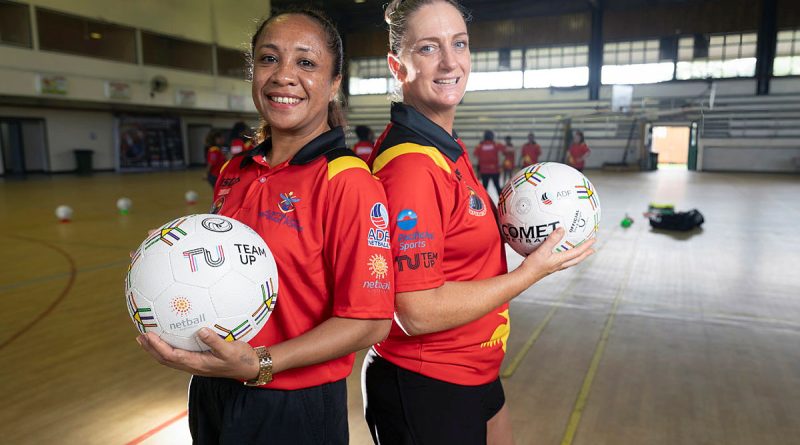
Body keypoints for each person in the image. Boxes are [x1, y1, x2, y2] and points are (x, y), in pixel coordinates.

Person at [136, 9, 394, 444]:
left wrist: (261, 362)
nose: (283, 76)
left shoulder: (347, 181)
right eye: (269, 59)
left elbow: (368, 322)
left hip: (293, 405)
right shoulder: (235, 170)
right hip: (211, 389)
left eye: (306, 63)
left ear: (334, 85)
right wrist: (166, 261)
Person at [362, 1, 596, 444]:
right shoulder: (413, 167)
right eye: (429, 48)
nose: (450, 62)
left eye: (460, 44)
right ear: (398, 66)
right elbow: (416, 311)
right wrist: (529, 273)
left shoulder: (444, 146)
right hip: (428, 382)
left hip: (475, 369)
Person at [473, 130, 503, 196]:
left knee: (484, 188)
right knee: (497, 187)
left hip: (484, 171)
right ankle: (502, 202)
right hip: (494, 170)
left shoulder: (480, 146)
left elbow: (475, 154)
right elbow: (503, 149)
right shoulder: (495, 144)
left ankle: (485, 204)